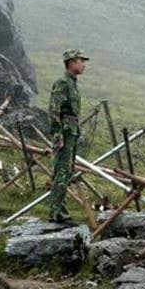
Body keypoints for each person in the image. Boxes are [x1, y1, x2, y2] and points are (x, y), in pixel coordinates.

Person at [48, 49, 89, 223]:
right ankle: (57, 213)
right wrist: (58, 135)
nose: (83, 65)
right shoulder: (62, 83)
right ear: (71, 62)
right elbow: (54, 110)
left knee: (68, 171)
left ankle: (61, 211)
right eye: (81, 61)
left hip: (71, 132)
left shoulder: (72, 84)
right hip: (64, 132)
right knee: (61, 172)